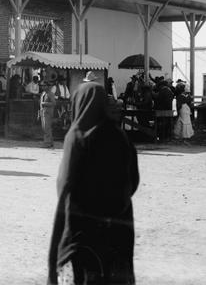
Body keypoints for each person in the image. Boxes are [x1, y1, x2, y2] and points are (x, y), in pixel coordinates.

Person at [48, 77, 139, 285]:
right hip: (118, 223)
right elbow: (132, 182)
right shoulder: (120, 136)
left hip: (81, 226)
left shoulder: (77, 136)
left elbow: (67, 184)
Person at [154, 77, 175, 143]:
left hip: (162, 110)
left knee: (162, 125)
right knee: (167, 124)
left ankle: (162, 138)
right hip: (169, 109)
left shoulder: (163, 91)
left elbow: (158, 99)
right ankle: (167, 137)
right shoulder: (169, 90)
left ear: (161, 86)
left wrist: (152, 93)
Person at [40, 81, 57, 149]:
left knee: (47, 128)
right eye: (42, 85)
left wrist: (44, 103)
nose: (43, 87)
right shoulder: (44, 93)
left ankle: (47, 143)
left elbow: (54, 103)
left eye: (44, 85)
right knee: (45, 128)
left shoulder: (50, 93)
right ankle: (50, 142)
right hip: (43, 112)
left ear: (48, 86)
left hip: (48, 113)